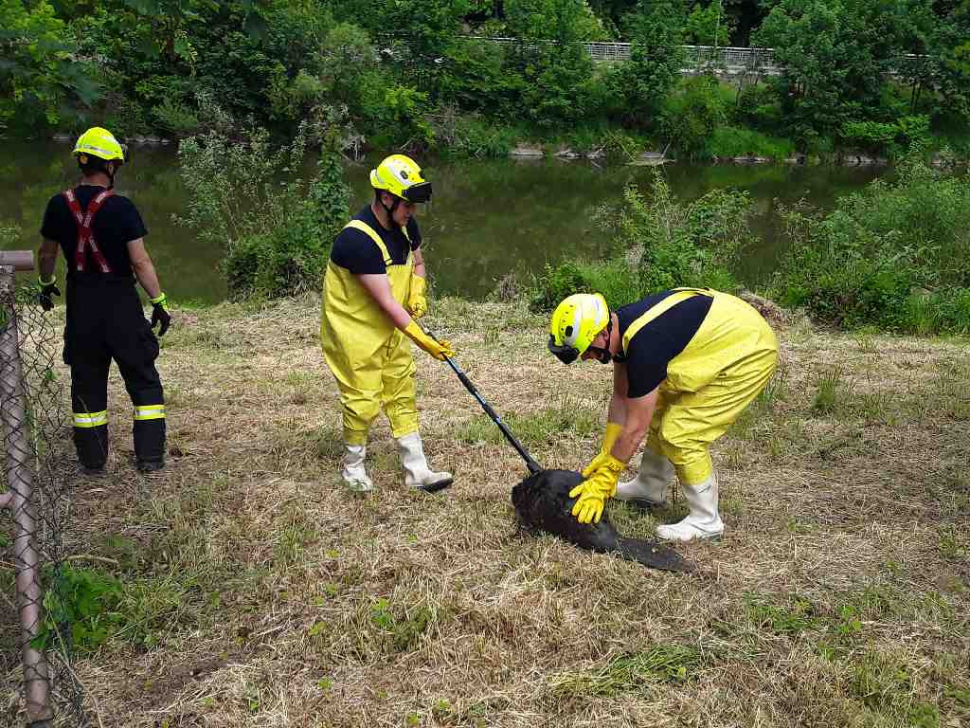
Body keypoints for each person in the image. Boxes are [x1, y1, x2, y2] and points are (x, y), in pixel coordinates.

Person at [547, 288, 778, 542]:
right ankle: (650, 487)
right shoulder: (621, 328)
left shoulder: (645, 344)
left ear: (602, 333)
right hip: (729, 334)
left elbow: (636, 428)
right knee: (657, 408)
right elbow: (622, 396)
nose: (586, 358)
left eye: (586, 350)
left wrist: (607, 476)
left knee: (681, 433)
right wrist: (607, 449)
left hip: (749, 350)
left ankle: (706, 520)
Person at [37, 127, 171, 474]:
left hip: (81, 306)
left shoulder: (57, 204)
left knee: (87, 381)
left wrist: (45, 282)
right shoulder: (122, 207)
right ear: (111, 166)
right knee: (142, 377)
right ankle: (150, 458)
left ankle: (93, 462)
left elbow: (47, 253)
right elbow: (140, 261)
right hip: (120, 305)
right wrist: (158, 301)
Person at [320, 154, 454, 493]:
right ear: (386, 197)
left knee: (401, 390)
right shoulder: (358, 240)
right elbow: (385, 302)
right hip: (355, 330)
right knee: (362, 400)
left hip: (392, 325)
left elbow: (418, 263)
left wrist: (418, 289)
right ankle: (353, 468)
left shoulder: (406, 226)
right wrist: (423, 339)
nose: (413, 212)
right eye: (408, 205)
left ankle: (418, 470)